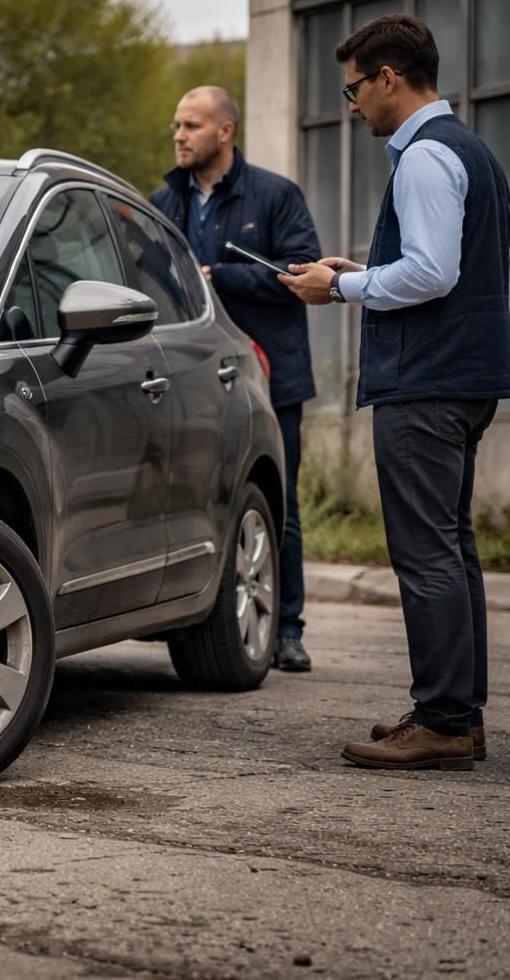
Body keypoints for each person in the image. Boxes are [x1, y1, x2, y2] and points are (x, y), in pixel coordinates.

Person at [281, 14, 510, 770]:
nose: (351, 105)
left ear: (387, 79)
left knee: (427, 553)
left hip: (427, 382)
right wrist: (360, 272)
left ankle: (445, 720)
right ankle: (456, 714)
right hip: (461, 376)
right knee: (451, 549)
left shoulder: (422, 158)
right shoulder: (471, 149)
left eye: (353, 88)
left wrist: (340, 287)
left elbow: (433, 272)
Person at [151, 86, 322, 673]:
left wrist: (216, 276)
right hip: (190, 383)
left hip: (271, 376)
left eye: (192, 125)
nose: (179, 135)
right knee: (198, 497)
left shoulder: (274, 195)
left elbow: (304, 272)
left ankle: (288, 629)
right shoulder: (161, 203)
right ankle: (193, 615)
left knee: (279, 505)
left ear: (225, 132)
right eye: (176, 125)